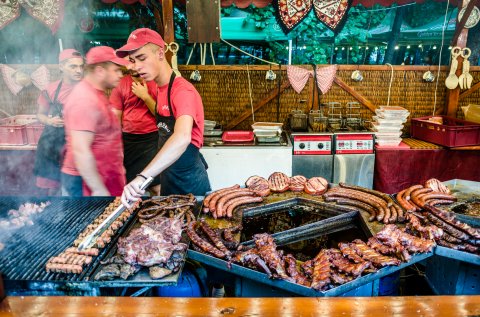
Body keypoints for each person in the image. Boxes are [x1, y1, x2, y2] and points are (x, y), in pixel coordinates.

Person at [116, 28, 211, 206]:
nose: (136, 66)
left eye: (142, 58)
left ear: (160, 53)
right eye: (132, 60)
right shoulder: (159, 90)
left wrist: (142, 177)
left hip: (191, 186)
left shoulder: (183, 91)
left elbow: (182, 136)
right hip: (168, 182)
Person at [61, 46, 129, 196]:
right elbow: (81, 150)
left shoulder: (96, 93)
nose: (120, 75)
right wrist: (98, 190)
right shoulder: (84, 99)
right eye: (116, 70)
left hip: (103, 175)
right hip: (84, 181)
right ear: (100, 71)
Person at [33, 49, 84, 196]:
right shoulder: (51, 89)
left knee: (76, 187)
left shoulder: (88, 87)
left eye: (81, 66)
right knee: (53, 186)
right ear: (61, 67)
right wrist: (49, 120)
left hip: (77, 143)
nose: (79, 70)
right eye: (73, 66)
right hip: (55, 142)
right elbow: (40, 115)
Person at [110, 69, 161, 195]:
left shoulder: (156, 82)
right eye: (130, 61)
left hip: (153, 139)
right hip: (129, 141)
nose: (133, 65)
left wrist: (145, 96)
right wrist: (116, 146)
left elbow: (161, 115)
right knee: (131, 187)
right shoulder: (121, 83)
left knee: (156, 186)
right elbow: (116, 117)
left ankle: (162, 212)